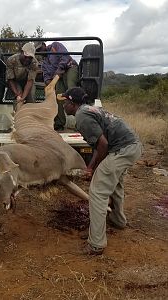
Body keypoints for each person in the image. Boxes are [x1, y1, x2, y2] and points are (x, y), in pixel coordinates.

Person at [61, 87, 142, 255]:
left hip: (122, 149)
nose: (63, 106)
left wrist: (92, 169)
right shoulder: (90, 109)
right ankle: (117, 220)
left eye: (65, 103)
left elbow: (102, 145)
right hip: (130, 146)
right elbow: (100, 145)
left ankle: (96, 244)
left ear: (73, 103)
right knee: (115, 185)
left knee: (97, 192)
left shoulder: (81, 116)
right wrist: (92, 167)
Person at [35, 41, 79, 131]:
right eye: (38, 50)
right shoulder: (44, 63)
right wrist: (49, 85)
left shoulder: (55, 45)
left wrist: (58, 72)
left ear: (44, 45)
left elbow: (65, 58)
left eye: (40, 48)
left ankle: (79, 121)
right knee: (58, 96)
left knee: (72, 92)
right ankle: (59, 123)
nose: (40, 51)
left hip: (69, 68)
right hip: (58, 77)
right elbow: (46, 76)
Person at [6, 42, 39, 108]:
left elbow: (30, 81)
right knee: (18, 98)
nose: (27, 59)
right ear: (21, 52)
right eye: (26, 56)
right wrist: (17, 94)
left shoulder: (34, 63)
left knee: (31, 98)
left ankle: (30, 116)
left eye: (30, 58)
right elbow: (10, 79)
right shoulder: (11, 60)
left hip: (27, 81)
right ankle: (16, 115)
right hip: (16, 81)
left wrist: (23, 98)